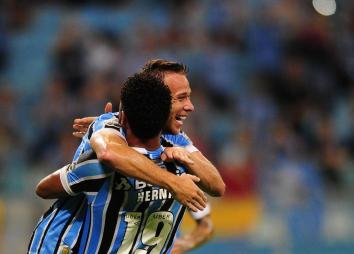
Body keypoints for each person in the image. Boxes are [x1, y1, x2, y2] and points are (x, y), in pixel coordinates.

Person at [28, 60, 224, 253]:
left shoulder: (175, 142)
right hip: (60, 243)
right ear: (156, 97)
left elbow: (216, 186)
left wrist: (183, 244)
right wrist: (173, 182)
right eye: (181, 98)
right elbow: (110, 154)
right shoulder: (109, 128)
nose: (190, 106)